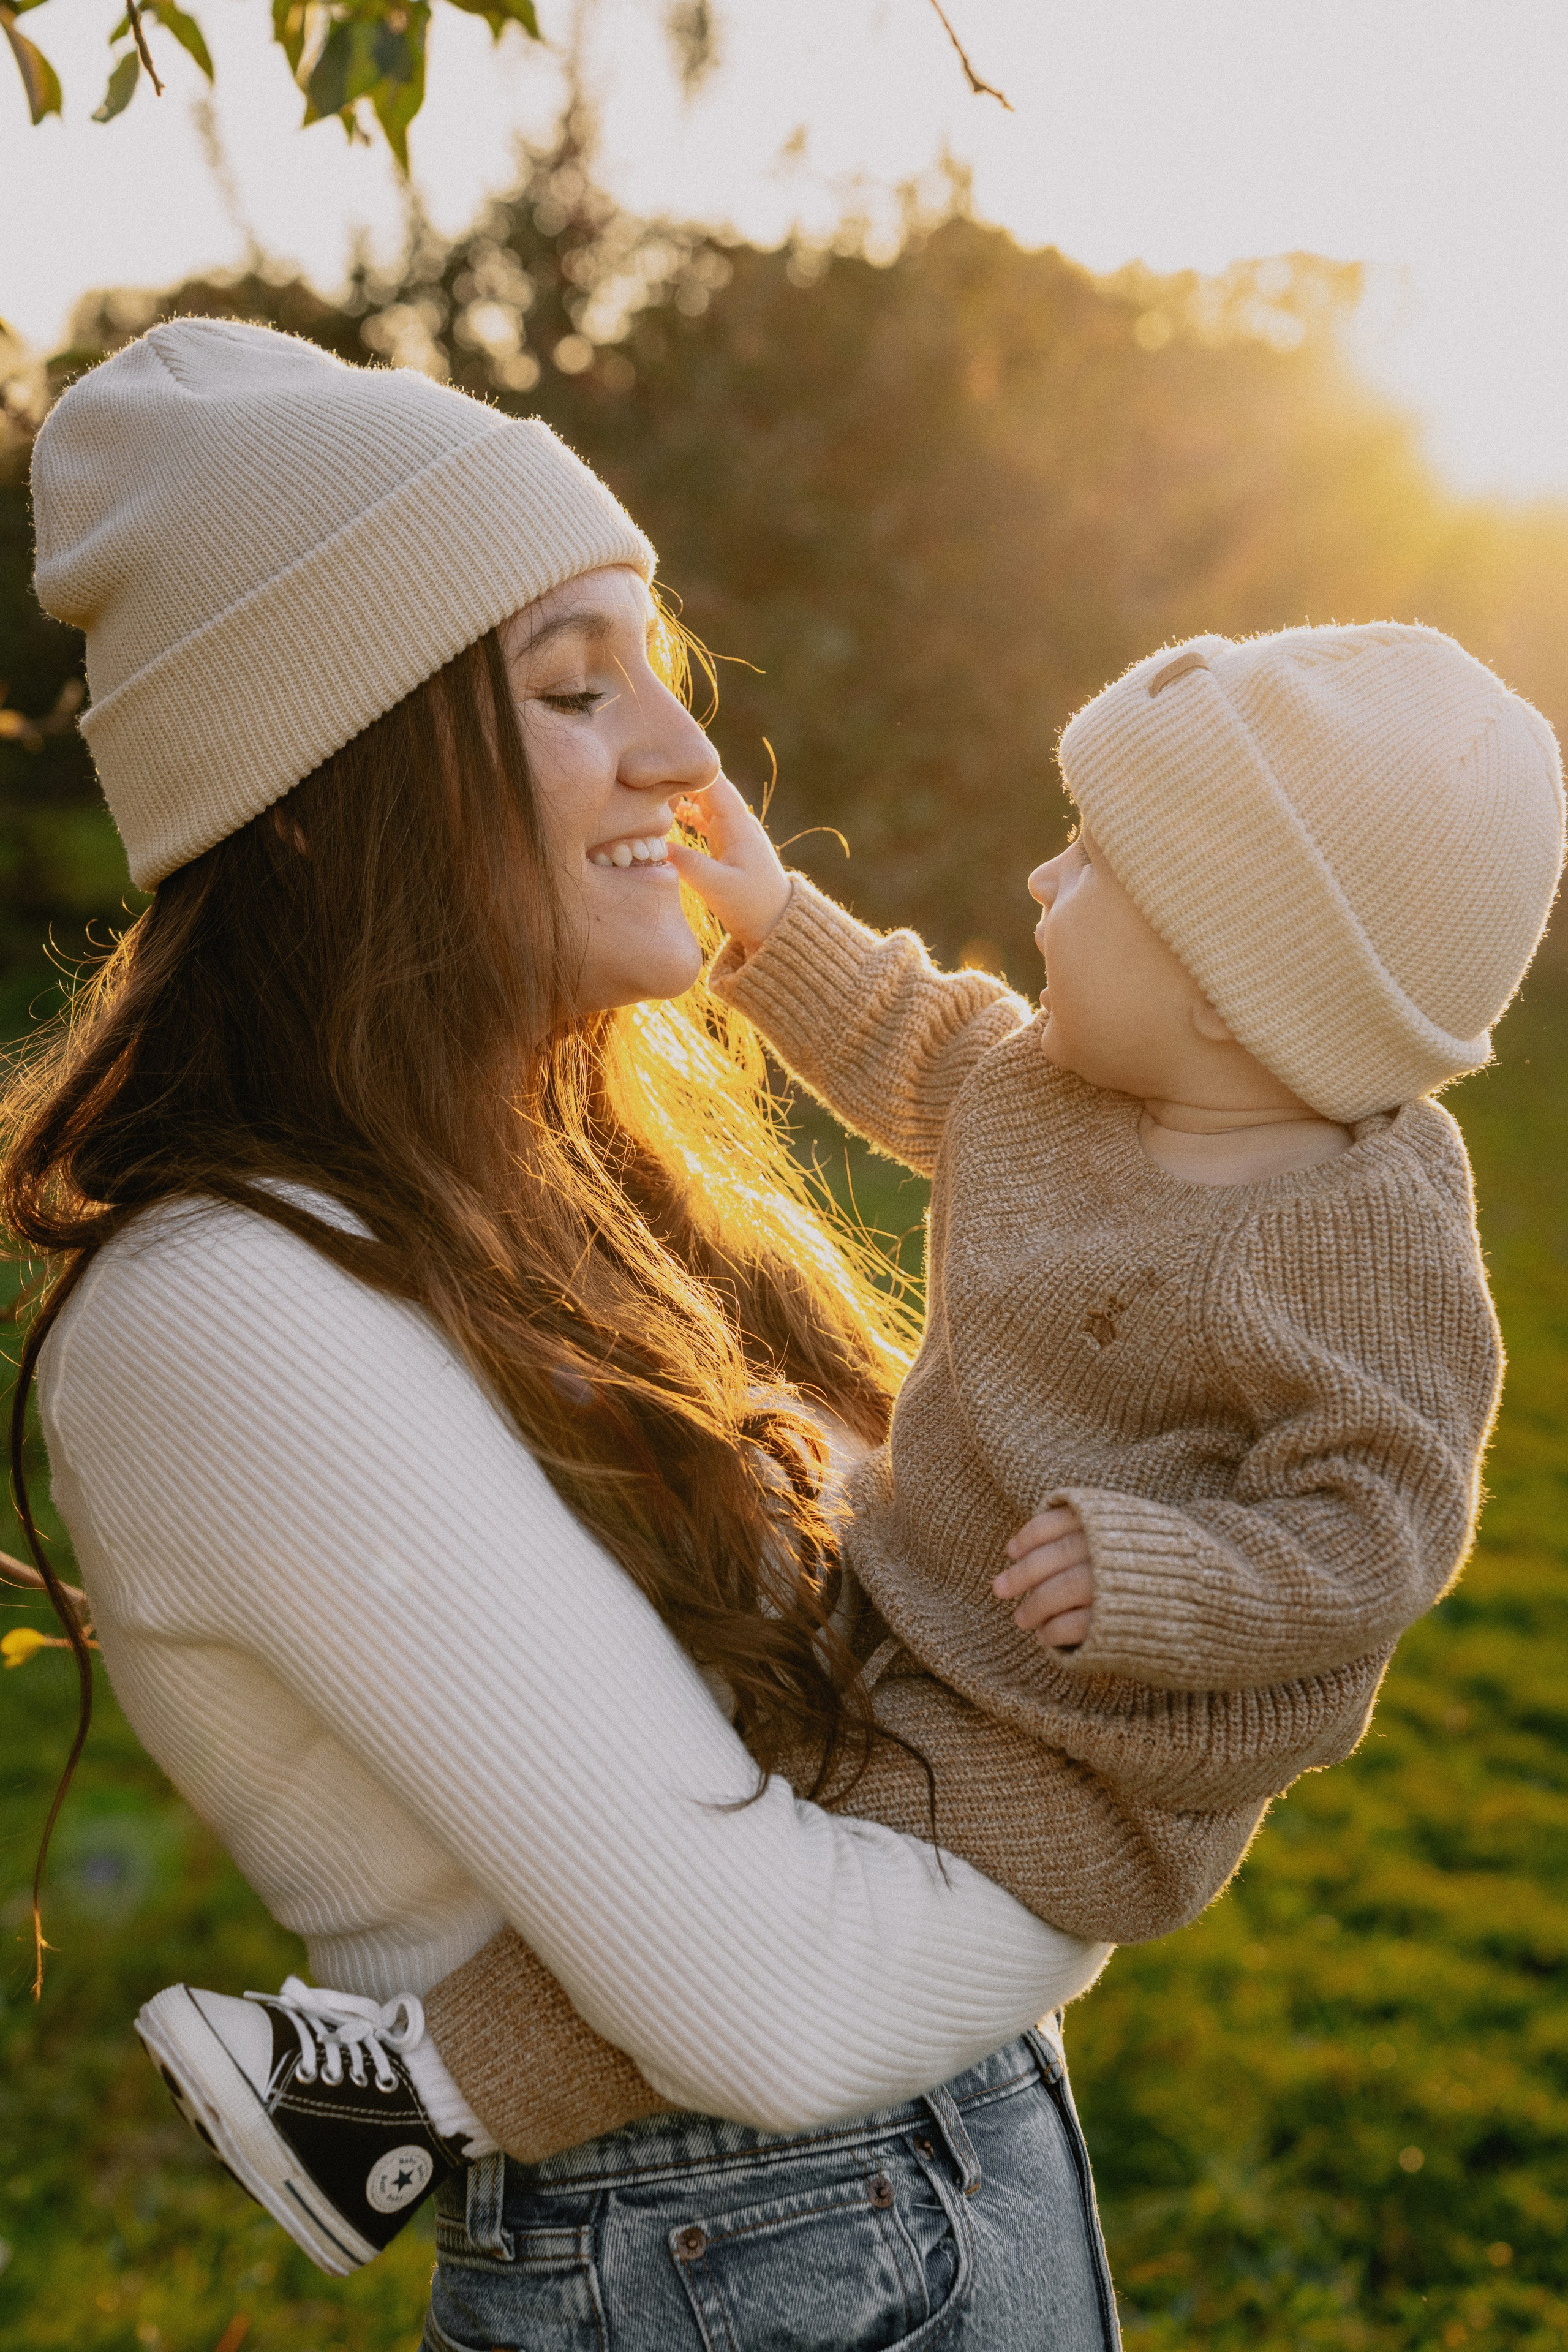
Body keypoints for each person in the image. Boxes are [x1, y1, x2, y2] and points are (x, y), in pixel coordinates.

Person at [138, 611, 1562, 2305]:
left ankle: (399, 2104)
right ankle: (410, 2074)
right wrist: (768, 922)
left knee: (791, 1851)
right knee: (756, 1749)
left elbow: (1381, 1519)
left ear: (1226, 971)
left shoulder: (1359, 1231)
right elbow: (916, 1038)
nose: (1040, 883)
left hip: (1093, 1749)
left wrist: (1165, 1574)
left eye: (1092, 862)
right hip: (929, 1599)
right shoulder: (1056, 1090)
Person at [13, 312, 1146, 2352]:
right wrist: (1168, 1787)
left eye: (659, 665)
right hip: (733, 2271)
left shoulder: (595, 1183)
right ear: (316, 789)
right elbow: (783, 2001)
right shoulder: (227, 1313)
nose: (689, 757)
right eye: (568, 685)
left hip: (933, 2213)